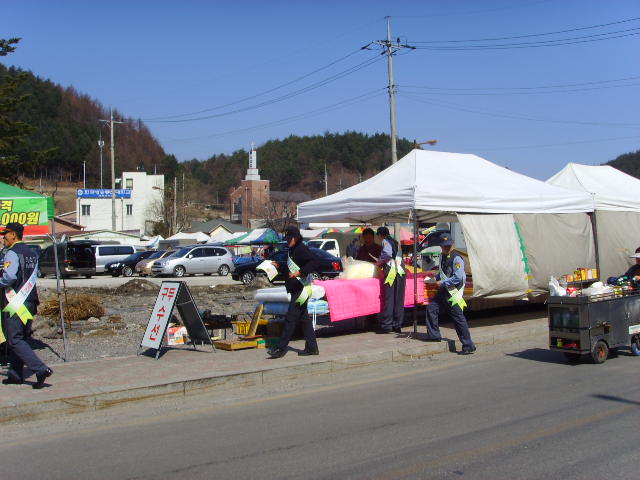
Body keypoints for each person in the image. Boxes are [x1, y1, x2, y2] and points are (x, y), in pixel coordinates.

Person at [0, 222, 53, 388]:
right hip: (30, 300)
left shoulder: (12, 253)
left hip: (16, 301)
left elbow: (9, 277)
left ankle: (41, 369)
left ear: (13, 235)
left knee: (14, 340)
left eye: (5, 234)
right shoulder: (31, 252)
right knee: (20, 337)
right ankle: (15, 374)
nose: (3, 238)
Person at [267, 226, 321, 359]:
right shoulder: (292, 249)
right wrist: (279, 266)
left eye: (289, 239)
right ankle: (312, 348)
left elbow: (314, 262)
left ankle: (280, 348)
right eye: (286, 239)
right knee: (304, 320)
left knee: (290, 319)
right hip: (295, 289)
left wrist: (300, 272)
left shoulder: (301, 248)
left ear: (296, 238)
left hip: (301, 290)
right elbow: (290, 268)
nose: (287, 241)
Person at [425, 232, 476, 355]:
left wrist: (442, 282)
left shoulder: (457, 258)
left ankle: (468, 345)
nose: (447, 248)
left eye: (448, 245)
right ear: (441, 246)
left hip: (454, 292)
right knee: (431, 308)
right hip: (444, 290)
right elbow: (443, 272)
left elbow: (458, 277)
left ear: (452, 244)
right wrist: (434, 278)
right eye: (445, 246)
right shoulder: (442, 256)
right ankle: (434, 336)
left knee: (458, 318)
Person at [375, 227, 406, 334]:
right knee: (399, 298)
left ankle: (387, 325)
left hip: (391, 270)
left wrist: (379, 262)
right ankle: (397, 324)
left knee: (390, 297)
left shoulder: (385, 241)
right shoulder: (396, 242)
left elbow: (387, 254)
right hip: (400, 269)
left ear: (380, 235)